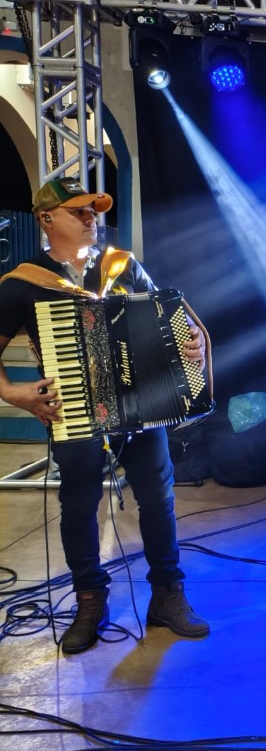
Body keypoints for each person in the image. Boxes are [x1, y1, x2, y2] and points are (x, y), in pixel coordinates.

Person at [0, 178, 210, 654]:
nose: (90, 217)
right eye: (78, 210)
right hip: (73, 411)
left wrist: (190, 342)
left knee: (158, 496)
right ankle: (90, 601)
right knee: (78, 504)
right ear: (46, 219)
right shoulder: (23, 283)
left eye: (93, 209)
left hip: (141, 406)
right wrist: (14, 393)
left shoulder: (122, 266)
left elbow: (169, 320)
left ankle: (167, 594)